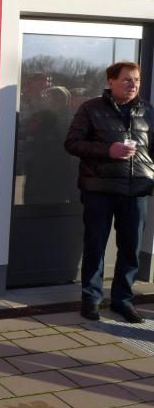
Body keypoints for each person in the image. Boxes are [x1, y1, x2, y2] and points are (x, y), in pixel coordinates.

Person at [64, 61, 152, 323]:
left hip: (136, 190)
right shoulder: (90, 108)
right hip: (99, 189)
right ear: (110, 81)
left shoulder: (148, 110)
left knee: (131, 248)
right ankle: (91, 299)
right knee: (96, 245)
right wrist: (108, 151)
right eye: (127, 79)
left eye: (137, 80)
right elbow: (72, 143)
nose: (133, 85)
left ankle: (123, 301)